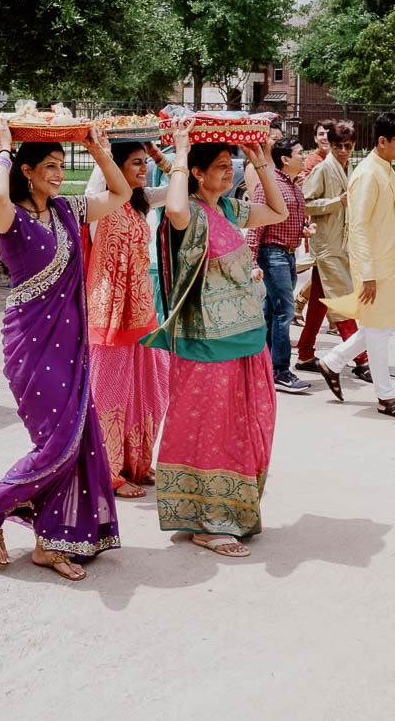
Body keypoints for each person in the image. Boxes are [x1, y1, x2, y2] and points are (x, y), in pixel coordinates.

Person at [0, 118, 132, 582]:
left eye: (62, 165)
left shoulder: (65, 210)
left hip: (72, 343)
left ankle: (52, 542)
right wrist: (1, 147)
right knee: (56, 444)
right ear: (27, 170)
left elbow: (119, 195)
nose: (58, 173)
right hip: (32, 345)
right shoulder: (9, 216)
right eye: (51, 166)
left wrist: (99, 152)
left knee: (76, 441)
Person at [142, 127, 287, 558]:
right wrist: (181, 152)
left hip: (245, 338)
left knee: (245, 426)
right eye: (222, 167)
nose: (231, 173)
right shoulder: (189, 216)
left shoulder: (226, 207)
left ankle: (227, 511)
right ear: (199, 174)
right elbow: (176, 207)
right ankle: (208, 522)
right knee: (208, 428)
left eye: (232, 166)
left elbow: (277, 212)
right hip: (207, 345)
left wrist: (260, 158)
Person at [316, 113, 395, 419]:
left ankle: (333, 361)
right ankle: (385, 397)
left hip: (391, 265)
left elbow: (393, 221)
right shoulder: (366, 175)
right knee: (377, 329)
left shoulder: (387, 169)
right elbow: (359, 227)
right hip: (373, 269)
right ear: (382, 142)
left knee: (392, 321)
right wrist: (367, 275)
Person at [84, 140, 174, 497]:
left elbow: (184, 187)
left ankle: (136, 460)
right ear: (113, 167)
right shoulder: (98, 202)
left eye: (144, 163)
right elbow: (99, 174)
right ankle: (109, 472)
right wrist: (100, 147)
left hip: (140, 311)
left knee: (147, 389)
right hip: (108, 312)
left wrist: (160, 156)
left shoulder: (143, 200)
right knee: (107, 393)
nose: (143, 169)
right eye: (135, 163)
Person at [296, 120, 368, 379]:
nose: (342, 150)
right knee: (342, 301)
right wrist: (337, 201)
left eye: (347, 146)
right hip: (327, 244)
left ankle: (304, 353)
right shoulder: (324, 169)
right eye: (338, 145)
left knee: (319, 300)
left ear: (354, 145)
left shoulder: (348, 167)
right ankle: (362, 359)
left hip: (341, 243)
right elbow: (305, 203)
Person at [246, 137, 312, 393]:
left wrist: (304, 230)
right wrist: (252, 261)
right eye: (299, 153)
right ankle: (280, 371)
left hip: (288, 255)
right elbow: (256, 226)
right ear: (285, 159)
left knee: (273, 312)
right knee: (284, 310)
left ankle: (263, 367)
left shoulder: (294, 186)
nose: (303, 157)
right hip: (272, 256)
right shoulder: (269, 185)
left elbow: (287, 219)